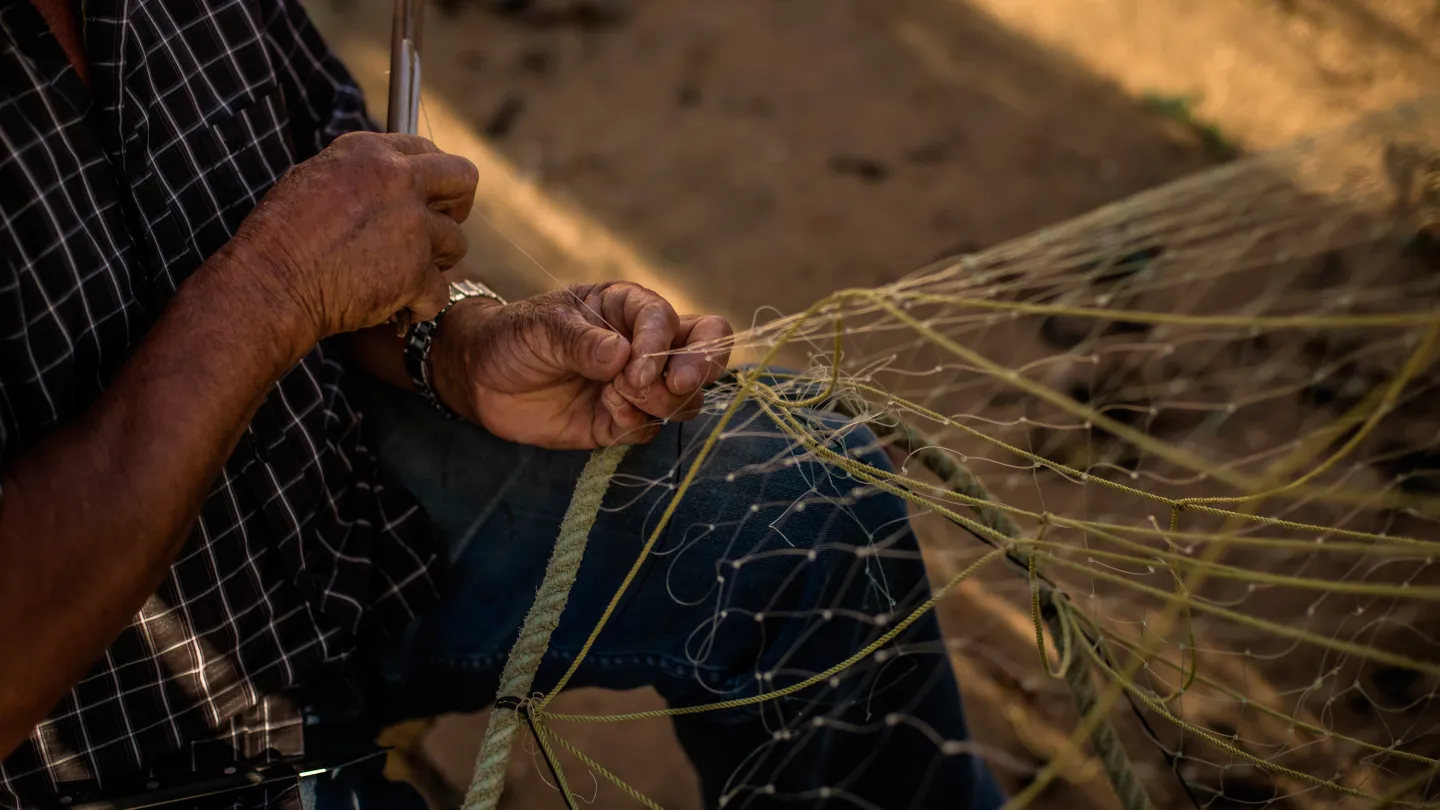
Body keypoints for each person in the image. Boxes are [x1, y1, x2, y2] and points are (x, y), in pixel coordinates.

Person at [0, 1, 1003, 808]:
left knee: (800, 491)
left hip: (344, 527)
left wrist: (461, 345)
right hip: (140, 748)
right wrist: (271, 287)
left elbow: (333, 199)